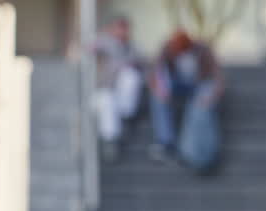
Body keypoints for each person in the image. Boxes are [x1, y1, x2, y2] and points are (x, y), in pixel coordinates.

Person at [147, 28, 225, 171]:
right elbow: (154, 74)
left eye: (181, 50)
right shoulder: (167, 49)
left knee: (200, 108)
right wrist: (159, 89)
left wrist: (211, 97)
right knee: (157, 98)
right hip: (177, 85)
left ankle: (198, 153)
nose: (178, 53)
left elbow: (218, 79)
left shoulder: (203, 49)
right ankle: (166, 142)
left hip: (198, 85)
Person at [92, 15, 142, 162]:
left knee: (130, 76)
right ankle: (110, 143)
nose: (122, 32)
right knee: (107, 101)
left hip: (120, 95)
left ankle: (126, 117)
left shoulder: (131, 46)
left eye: (125, 29)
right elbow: (88, 49)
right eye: (119, 28)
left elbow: (142, 61)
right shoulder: (105, 42)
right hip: (101, 91)